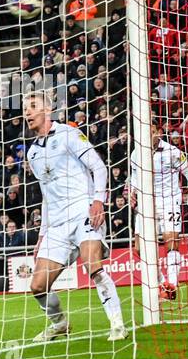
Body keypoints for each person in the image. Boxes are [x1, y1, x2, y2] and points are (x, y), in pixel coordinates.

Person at [23, 93, 126, 342]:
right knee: (37, 286)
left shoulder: (68, 133)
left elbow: (98, 166)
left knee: (93, 266)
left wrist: (98, 201)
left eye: (33, 107)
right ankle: (60, 324)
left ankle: (117, 324)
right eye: (25, 109)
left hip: (82, 211)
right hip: (57, 225)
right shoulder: (32, 154)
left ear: (48, 109)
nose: (27, 113)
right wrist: (42, 234)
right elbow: (46, 196)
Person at [130, 131, 188, 300]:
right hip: (146, 204)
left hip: (169, 201)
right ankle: (163, 281)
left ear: (158, 133)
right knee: (138, 248)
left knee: (171, 241)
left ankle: (172, 285)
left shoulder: (173, 152)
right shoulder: (136, 153)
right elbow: (134, 178)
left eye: (152, 131)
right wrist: (131, 192)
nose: (149, 134)